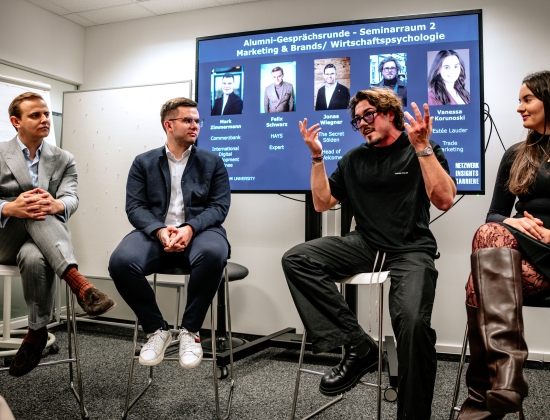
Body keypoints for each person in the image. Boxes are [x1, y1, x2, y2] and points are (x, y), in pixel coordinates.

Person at [282, 88, 456, 419]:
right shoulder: (354, 159)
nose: (362, 123)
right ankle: (360, 346)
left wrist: (422, 147)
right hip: (365, 244)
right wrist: (317, 157)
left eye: (368, 115)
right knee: (297, 259)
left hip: (411, 248)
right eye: (357, 119)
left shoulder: (422, 148)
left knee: (413, 325)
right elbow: (322, 203)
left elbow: (444, 200)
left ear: (390, 114)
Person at [108, 97, 230, 370]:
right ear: (169, 125)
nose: (195, 125)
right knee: (120, 262)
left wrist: (190, 228)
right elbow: (135, 207)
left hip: (201, 232)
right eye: (188, 120)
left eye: (197, 120)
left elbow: (219, 207)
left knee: (213, 253)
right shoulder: (143, 162)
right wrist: (160, 230)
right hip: (154, 234)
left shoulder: (213, 162)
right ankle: (156, 330)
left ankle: (190, 331)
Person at [0, 92, 115, 377]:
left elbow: (71, 198)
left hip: (42, 244)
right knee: (32, 208)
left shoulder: (63, 158)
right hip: (4, 239)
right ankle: (79, 284)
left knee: (34, 254)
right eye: (35, 115)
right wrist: (10, 208)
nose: (44, 119)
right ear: (15, 121)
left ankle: (36, 333)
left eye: (46, 114)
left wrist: (57, 204)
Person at [458, 71, 550, 419]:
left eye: (527, 99)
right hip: (520, 250)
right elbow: (495, 214)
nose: (519, 108)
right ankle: (506, 380)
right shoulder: (516, 154)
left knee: (477, 285)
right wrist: (513, 221)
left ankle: (484, 398)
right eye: (519, 100)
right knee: (488, 233)